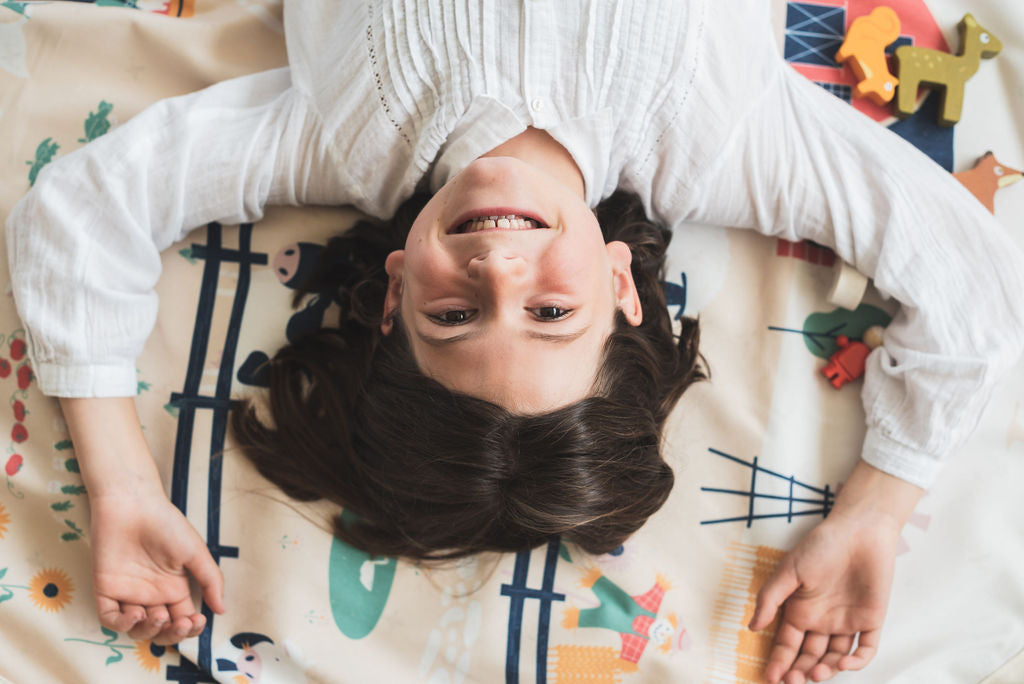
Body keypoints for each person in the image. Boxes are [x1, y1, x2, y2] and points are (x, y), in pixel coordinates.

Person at [5, 1, 1024, 682]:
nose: (498, 274)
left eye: (452, 317)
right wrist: (877, 510)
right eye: (550, 314)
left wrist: (126, 487)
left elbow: (80, 219)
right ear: (623, 285)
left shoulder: (327, 132)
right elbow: (967, 284)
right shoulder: (723, 137)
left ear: (392, 294)